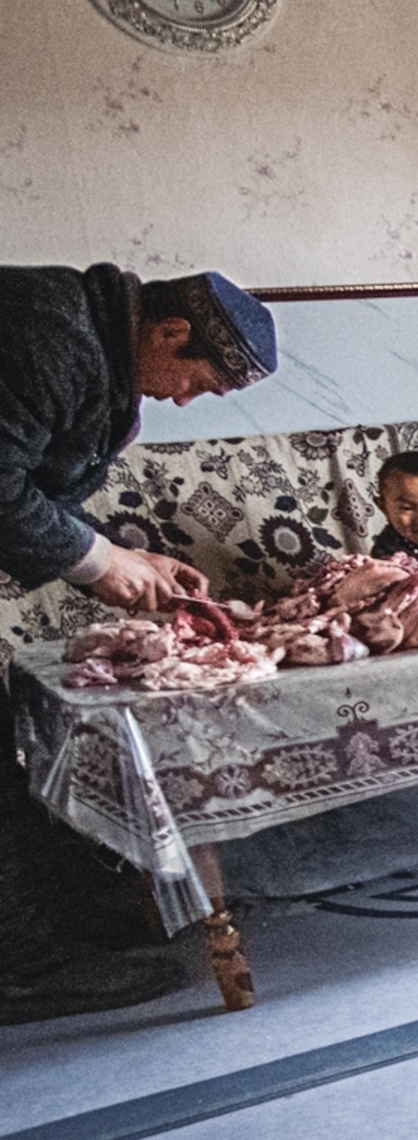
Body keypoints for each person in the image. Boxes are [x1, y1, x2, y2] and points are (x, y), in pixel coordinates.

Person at [0, 264, 278, 1023]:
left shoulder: (88, 334)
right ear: (169, 331)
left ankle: (51, 935)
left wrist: (131, 561)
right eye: (197, 380)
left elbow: (29, 481)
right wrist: (99, 563)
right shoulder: (54, 334)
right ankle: (22, 971)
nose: (184, 399)